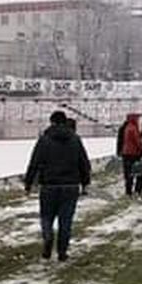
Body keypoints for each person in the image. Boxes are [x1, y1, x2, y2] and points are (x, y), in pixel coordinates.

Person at [24, 109, 92, 262]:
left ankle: (48, 238)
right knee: (65, 220)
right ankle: (62, 252)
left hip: (49, 185)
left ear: (52, 122)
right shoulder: (75, 139)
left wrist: (28, 183)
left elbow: (34, 162)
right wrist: (85, 182)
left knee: (46, 216)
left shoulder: (44, 140)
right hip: (70, 186)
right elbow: (83, 163)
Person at [115, 112, 142, 197]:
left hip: (126, 154)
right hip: (134, 154)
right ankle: (138, 190)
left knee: (128, 174)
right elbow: (138, 141)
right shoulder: (133, 128)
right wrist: (141, 150)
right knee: (139, 173)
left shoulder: (126, 127)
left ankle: (128, 191)